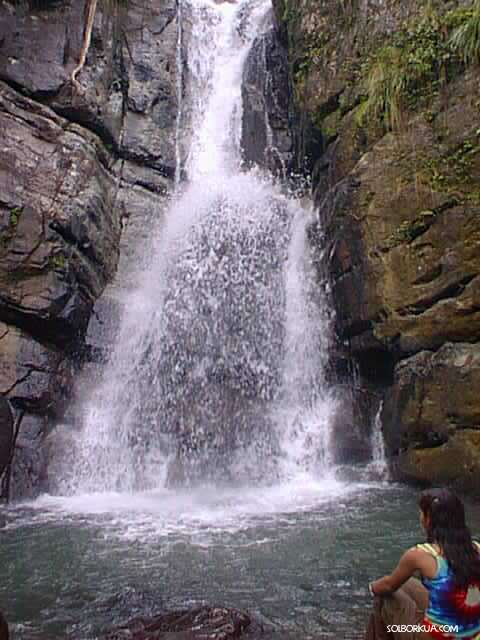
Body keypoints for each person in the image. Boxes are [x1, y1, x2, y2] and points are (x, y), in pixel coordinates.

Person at [365, 488, 480, 639]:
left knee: (384, 595)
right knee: (407, 584)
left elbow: (388, 585)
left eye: (421, 513)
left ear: (428, 519)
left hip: (437, 637)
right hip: (473, 635)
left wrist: (371, 588)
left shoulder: (419, 555)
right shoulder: (476, 548)